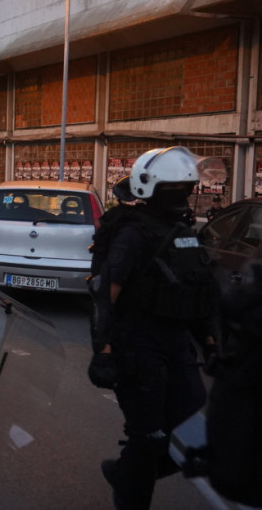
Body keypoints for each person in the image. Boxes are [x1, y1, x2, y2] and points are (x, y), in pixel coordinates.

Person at [88, 146, 219, 510]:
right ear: (149, 187)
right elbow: (104, 296)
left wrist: (208, 341)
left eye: (185, 186)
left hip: (176, 343)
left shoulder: (185, 233)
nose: (181, 194)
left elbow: (198, 291)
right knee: (149, 437)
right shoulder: (133, 234)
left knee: (192, 425)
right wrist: (103, 352)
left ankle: (127, 472)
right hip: (138, 344)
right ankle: (132, 488)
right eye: (171, 187)